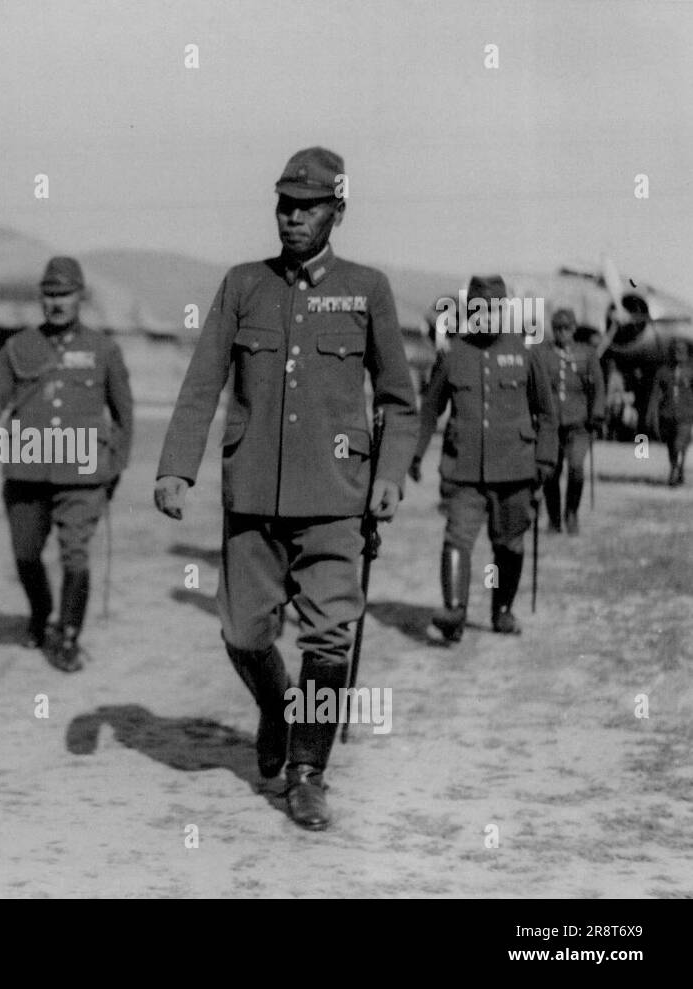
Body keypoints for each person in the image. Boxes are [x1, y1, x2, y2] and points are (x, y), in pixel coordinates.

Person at [154, 147, 418, 830]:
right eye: (285, 204)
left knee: (329, 639)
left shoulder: (368, 288)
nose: (293, 217)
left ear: (339, 210)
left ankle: (307, 774)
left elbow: (399, 398)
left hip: (335, 495)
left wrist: (388, 475)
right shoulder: (244, 285)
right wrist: (175, 466)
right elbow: (202, 381)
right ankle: (276, 704)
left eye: (308, 206)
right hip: (253, 496)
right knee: (242, 629)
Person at [0, 257, 134, 671]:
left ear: (81, 296)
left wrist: (113, 466)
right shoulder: (18, 347)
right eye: (49, 295)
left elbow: (124, 414)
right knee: (26, 554)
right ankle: (40, 611)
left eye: (64, 294)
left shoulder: (103, 349)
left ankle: (67, 636)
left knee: (75, 555)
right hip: (27, 467)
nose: (57, 302)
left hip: (82, 472)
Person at [410, 275, 558, 641]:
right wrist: (414, 454)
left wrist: (545, 460)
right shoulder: (453, 354)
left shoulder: (527, 352)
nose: (486, 315)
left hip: (515, 468)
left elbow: (547, 414)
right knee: (457, 536)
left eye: (493, 308)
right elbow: (430, 409)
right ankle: (454, 611)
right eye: (479, 309)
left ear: (504, 309)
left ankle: (503, 611)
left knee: (509, 543)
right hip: (464, 469)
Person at [541, 309, 605, 534]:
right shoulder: (543, 354)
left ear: (574, 329)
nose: (562, 333)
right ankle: (554, 518)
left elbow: (598, 387)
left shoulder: (587, 354)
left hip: (579, 424)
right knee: (550, 473)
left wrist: (596, 415)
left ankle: (572, 513)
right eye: (557, 329)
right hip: (550, 425)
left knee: (576, 470)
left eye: (566, 328)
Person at [646, 337, 693, 486]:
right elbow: (655, 395)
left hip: (686, 415)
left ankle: (674, 472)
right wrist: (651, 413)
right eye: (675, 350)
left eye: (681, 350)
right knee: (672, 446)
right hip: (667, 415)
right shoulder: (663, 372)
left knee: (680, 443)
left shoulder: (691, 371)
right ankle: (677, 467)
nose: (678, 353)